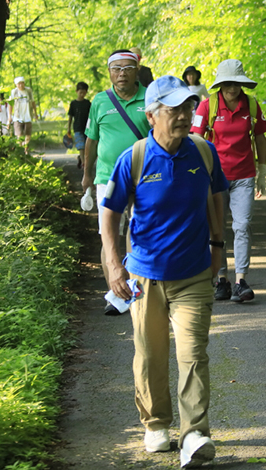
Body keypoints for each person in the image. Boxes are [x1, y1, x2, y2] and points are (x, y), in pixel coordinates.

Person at [101, 75, 228, 468]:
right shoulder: (135, 158)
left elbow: (217, 200)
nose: (184, 116)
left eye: (188, 108)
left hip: (192, 275)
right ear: (152, 114)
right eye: (174, 109)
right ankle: (156, 423)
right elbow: (109, 215)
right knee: (151, 355)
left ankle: (195, 434)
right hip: (144, 277)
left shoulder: (204, 153)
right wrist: (112, 265)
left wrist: (219, 249)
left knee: (193, 355)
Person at [191, 59, 266, 303]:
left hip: (244, 175)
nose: (232, 88)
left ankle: (241, 281)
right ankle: (222, 279)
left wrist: (262, 170)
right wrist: (197, 173)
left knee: (242, 225)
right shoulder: (207, 106)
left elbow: (260, 138)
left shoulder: (252, 106)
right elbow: (196, 139)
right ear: (220, 84)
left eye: (236, 83)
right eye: (227, 83)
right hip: (216, 177)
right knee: (217, 228)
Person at [82, 50, 152, 315]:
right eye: (116, 68)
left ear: (137, 70)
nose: (121, 73)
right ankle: (115, 293)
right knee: (108, 235)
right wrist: (87, 175)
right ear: (109, 72)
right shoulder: (100, 101)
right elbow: (91, 140)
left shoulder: (150, 97)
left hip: (144, 177)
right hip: (106, 179)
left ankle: (134, 291)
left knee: (137, 233)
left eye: (127, 68)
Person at [9, 76, 38, 153]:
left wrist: (35, 113)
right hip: (17, 117)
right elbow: (10, 104)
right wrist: (9, 116)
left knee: (28, 134)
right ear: (16, 85)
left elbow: (33, 102)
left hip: (28, 116)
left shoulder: (28, 91)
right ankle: (21, 150)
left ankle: (26, 149)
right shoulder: (14, 92)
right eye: (19, 84)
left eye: (22, 83)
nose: (21, 85)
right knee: (19, 135)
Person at [67, 81, 91, 169]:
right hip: (77, 128)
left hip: (87, 128)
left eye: (84, 93)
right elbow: (70, 116)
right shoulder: (73, 104)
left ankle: (81, 158)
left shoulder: (88, 103)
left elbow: (91, 116)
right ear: (76, 91)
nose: (82, 94)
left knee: (87, 147)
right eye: (80, 92)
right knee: (81, 146)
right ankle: (84, 164)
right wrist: (68, 128)